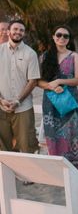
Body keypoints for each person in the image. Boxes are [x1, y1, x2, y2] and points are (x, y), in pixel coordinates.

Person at [38, 25, 78, 167]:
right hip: (50, 100)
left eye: (65, 36)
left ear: (69, 39)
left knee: (72, 133)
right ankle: (56, 166)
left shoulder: (74, 56)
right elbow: (37, 81)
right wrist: (51, 86)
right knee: (52, 133)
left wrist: (59, 81)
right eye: (59, 35)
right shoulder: (44, 56)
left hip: (69, 100)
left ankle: (73, 167)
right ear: (53, 37)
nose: (62, 38)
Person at [0, 20, 41, 154]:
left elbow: (33, 81)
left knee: (26, 146)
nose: (18, 32)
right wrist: (1, 100)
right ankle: (6, 175)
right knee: (3, 148)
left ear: (24, 33)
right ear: (8, 31)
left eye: (21, 30)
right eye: (15, 29)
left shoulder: (31, 54)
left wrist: (18, 101)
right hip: (1, 107)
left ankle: (26, 175)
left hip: (23, 108)